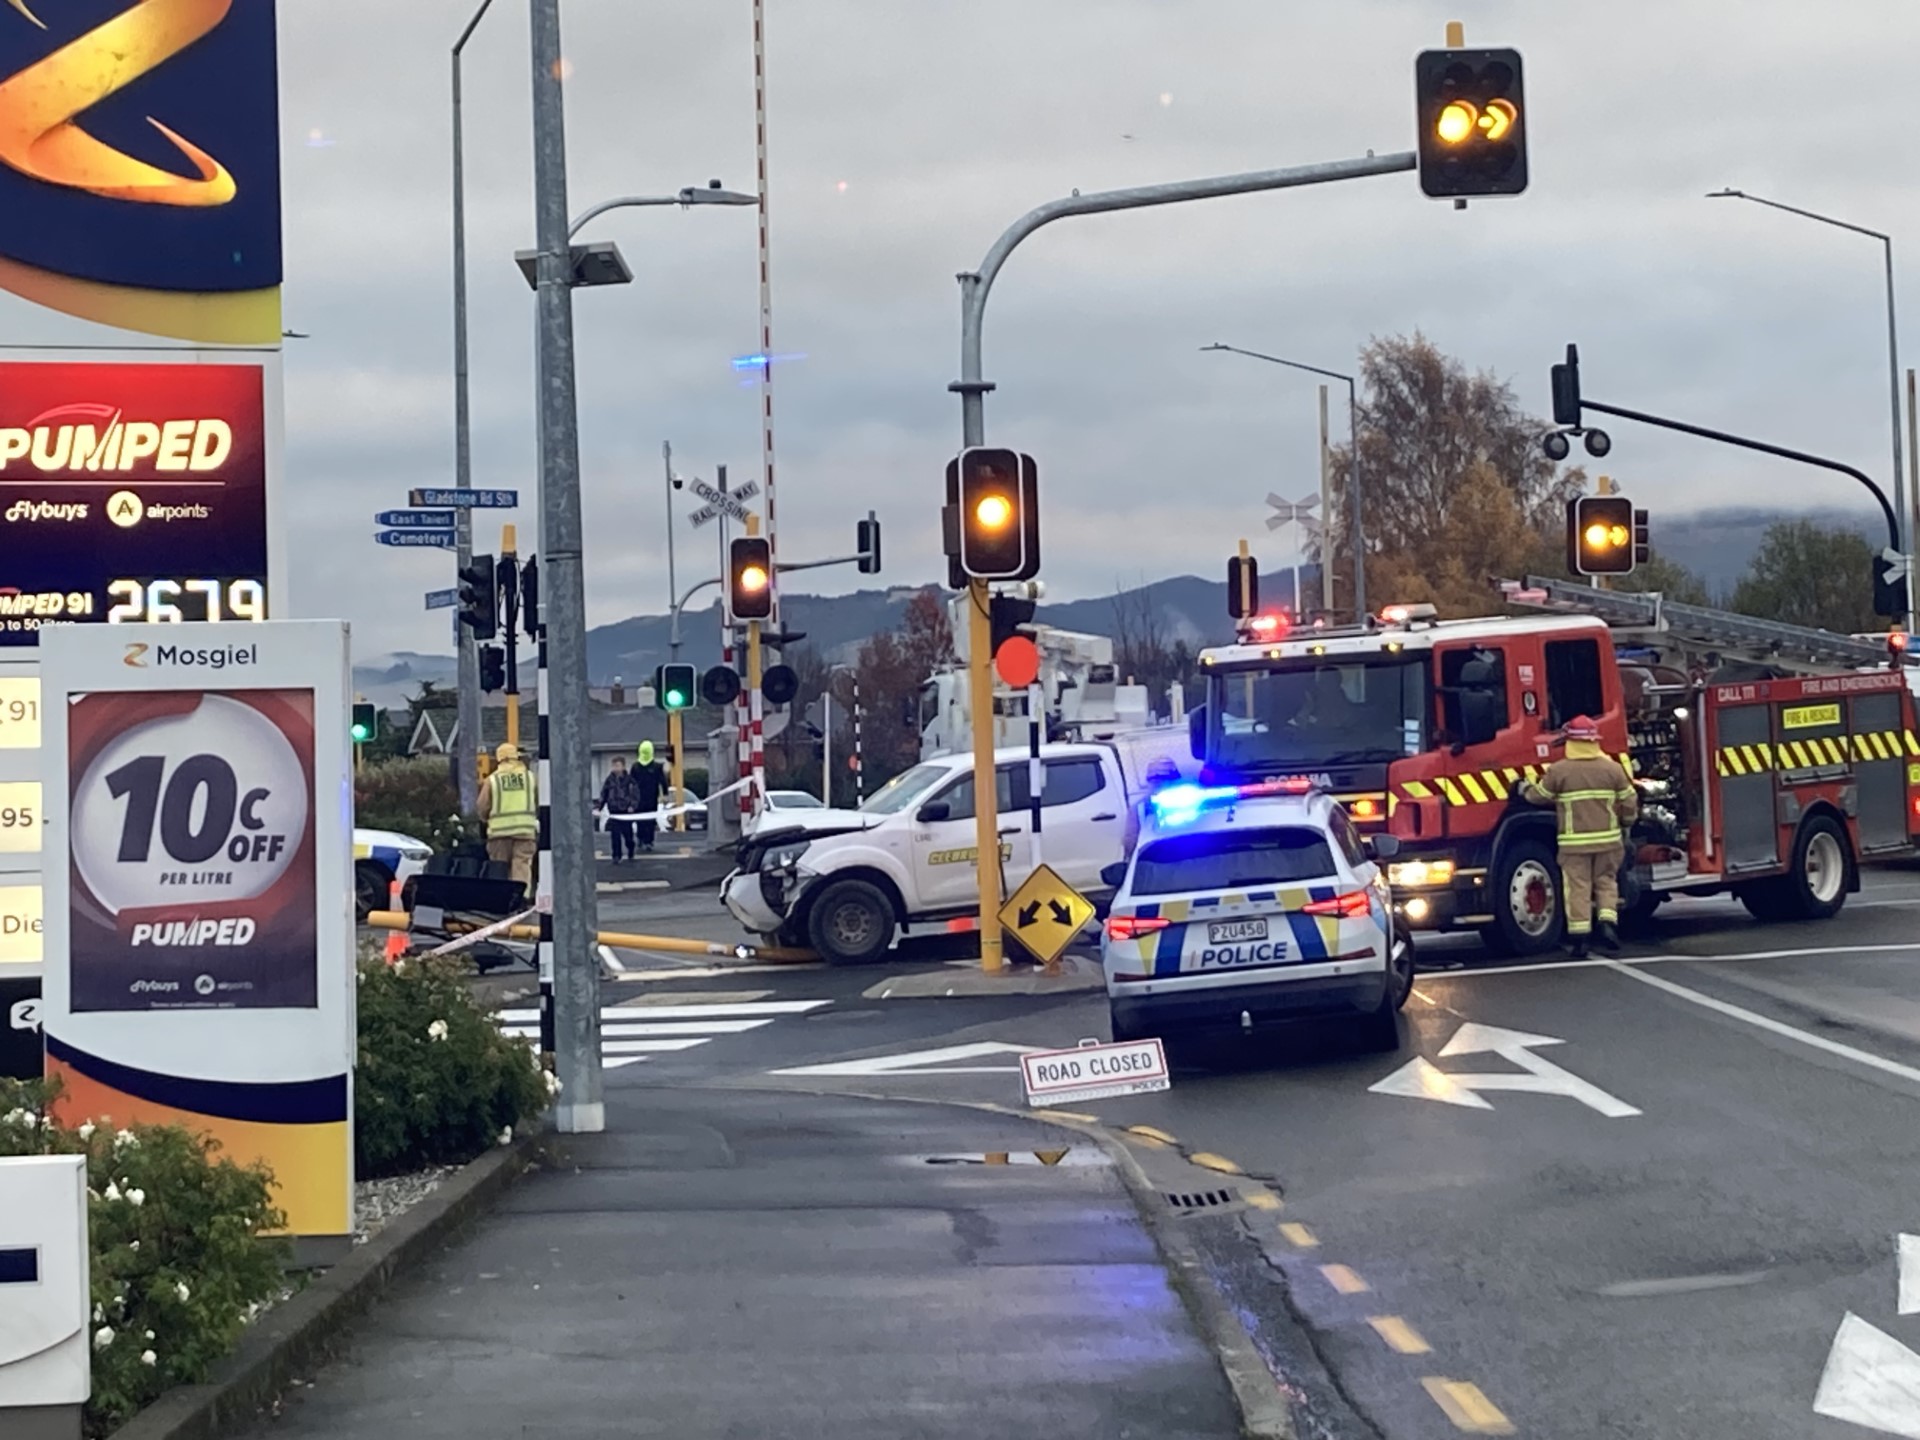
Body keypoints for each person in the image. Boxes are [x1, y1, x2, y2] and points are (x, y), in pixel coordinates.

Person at [1520, 715, 1637, 958]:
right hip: (1609, 841)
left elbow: (1538, 796)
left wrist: (1523, 788)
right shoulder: (1613, 769)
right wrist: (1626, 821)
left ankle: (1580, 939)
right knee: (1606, 882)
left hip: (1574, 845)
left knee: (1578, 888)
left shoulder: (1560, 771)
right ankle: (1607, 924)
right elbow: (1629, 799)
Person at [477, 741, 538, 893]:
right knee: (521, 866)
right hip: (525, 832)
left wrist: (487, 819)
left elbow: (482, 806)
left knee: (499, 868)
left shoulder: (493, 780)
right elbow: (538, 801)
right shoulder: (530, 778)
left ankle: (501, 899)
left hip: (498, 833)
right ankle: (520, 898)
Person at [597, 756, 640, 863]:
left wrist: (632, 806)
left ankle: (630, 848)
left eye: (618, 766)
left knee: (628, 835)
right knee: (615, 835)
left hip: (625, 812)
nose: (615, 768)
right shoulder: (609, 780)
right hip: (614, 811)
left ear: (623, 767)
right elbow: (604, 794)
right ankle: (616, 855)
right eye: (614, 766)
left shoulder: (630, 780)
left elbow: (635, 794)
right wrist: (599, 807)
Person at [632, 740, 668, 853]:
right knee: (642, 820)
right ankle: (643, 839)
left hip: (649, 798)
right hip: (641, 798)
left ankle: (647, 840)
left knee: (648, 821)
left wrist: (665, 794)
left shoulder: (656, 767)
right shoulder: (636, 767)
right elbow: (630, 783)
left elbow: (663, 781)